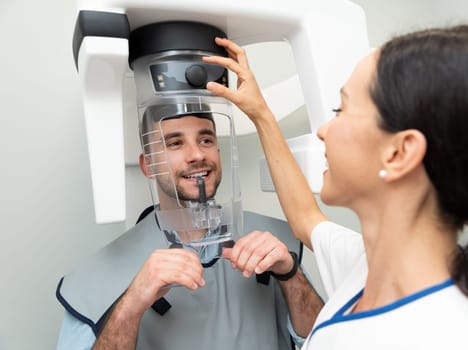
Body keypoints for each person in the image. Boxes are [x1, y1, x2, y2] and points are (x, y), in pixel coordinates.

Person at [204, 25, 468, 349]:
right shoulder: (366, 267)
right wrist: (260, 113)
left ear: (399, 152)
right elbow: (305, 219)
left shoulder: (452, 337)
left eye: (340, 111)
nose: (323, 130)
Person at [56, 111, 324, 349]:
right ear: (147, 165)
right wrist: (130, 306)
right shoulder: (98, 278)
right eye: (175, 143)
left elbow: (326, 341)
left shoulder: (276, 243)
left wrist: (291, 274)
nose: (197, 155)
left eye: (206, 140)